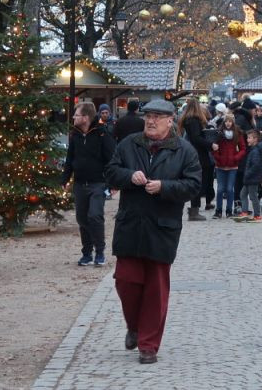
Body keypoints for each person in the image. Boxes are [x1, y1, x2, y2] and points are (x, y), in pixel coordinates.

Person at [104, 98, 201, 364]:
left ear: (170, 121)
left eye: (157, 116)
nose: (151, 120)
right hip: (131, 223)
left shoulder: (184, 150)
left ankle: (148, 345)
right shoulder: (129, 143)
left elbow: (194, 185)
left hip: (163, 226)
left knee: (156, 289)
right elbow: (111, 172)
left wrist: (165, 187)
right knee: (125, 280)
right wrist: (128, 177)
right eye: (148, 116)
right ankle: (134, 326)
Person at [62, 101, 116, 266]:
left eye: (76, 115)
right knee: (82, 218)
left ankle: (100, 251)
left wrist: (113, 182)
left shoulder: (102, 134)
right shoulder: (75, 135)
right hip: (79, 183)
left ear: (85, 117)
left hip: (97, 183)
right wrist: (65, 178)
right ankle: (87, 252)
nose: (73, 117)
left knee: (95, 216)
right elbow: (70, 158)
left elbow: (111, 158)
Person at [178, 99, 212, 221]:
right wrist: (210, 144)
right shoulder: (193, 121)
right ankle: (194, 210)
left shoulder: (187, 120)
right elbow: (196, 138)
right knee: (199, 182)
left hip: (193, 153)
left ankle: (194, 209)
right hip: (198, 154)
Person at [210, 114, 245, 219]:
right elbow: (214, 147)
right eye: (226, 121)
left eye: (230, 121)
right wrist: (217, 157)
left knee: (230, 189)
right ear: (224, 122)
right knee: (220, 189)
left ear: (233, 122)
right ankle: (218, 210)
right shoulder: (219, 133)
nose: (228, 123)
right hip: (220, 165)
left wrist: (236, 157)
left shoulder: (237, 133)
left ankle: (229, 210)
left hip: (232, 165)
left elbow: (243, 148)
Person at [236, 129, 262, 222]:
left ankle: (257, 216)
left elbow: (256, 165)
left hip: (252, 178)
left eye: (249, 138)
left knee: (253, 197)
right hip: (249, 178)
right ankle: (244, 212)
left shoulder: (255, 151)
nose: (247, 140)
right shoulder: (253, 150)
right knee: (243, 194)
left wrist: (248, 174)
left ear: (255, 139)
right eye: (247, 138)